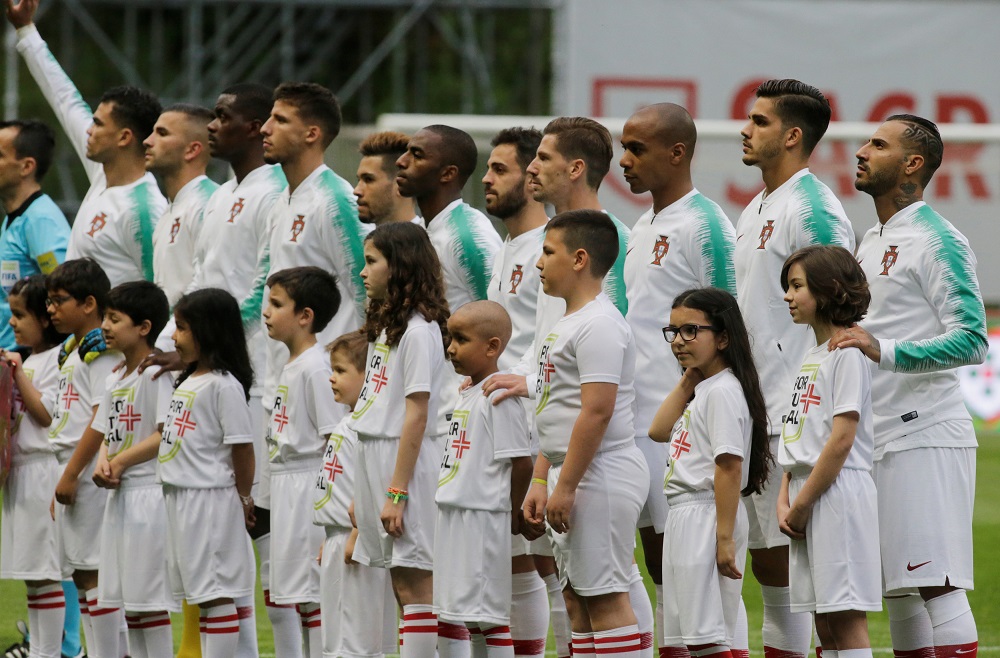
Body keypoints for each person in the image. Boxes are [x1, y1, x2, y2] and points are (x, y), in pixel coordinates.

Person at [831, 115, 986, 658]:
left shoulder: (938, 239)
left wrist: (885, 350)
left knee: (938, 587)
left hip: (925, 435)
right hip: (875, 436)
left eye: (878, 144)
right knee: (898, 593)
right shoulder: (870, 238)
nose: (862, 150)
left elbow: (972, 340)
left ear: (913, 163)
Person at [734, 78, 855, 658]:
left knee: (806, 575)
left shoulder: (812, 207)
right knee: (769, 569)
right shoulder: (756, 205)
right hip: (753, 408)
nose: (744, 129)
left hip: (795, 412)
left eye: (758, 121)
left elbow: (846, 296)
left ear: (792, 135)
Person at [620, 103, 739, 655]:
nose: (624, 161)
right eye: (623, 147)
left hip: (686, 424)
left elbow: (729, 320)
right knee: (659, 562)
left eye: (636, 149)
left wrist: (702, 397)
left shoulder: (705, 223)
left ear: (677, 153)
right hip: (643, 421)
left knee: (695, 568)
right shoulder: (641, 225)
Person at [259, 81, 368, 653]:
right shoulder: (282, 200)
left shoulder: (336, 200)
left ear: (312, 133)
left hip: (329, 384)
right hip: (288, 378)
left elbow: (364, 285)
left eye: (277, 120)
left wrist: (355, 368)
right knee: (284, 580)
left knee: (318, 574)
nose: (264, 128)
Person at [521, 210, 649, 658]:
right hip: (571, 471)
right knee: (577, 600)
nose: (538, 262)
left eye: (548, 251)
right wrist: (542, 478)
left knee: (607, 597)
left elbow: (596, 412)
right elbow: (553, 408)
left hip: (601, 473)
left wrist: (567, 483)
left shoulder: (600, 323)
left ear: (579, 259)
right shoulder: (568, 322)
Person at [648, 287, 771, 658]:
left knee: (706, 640)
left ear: (722, 337)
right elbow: (657, 430)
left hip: (704, 515)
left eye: (690, 331)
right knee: (690, 636)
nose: (679, 341)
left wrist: (723, 537)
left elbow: (729, 467)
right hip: (686, 515)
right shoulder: (704, 388)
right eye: (673, 331)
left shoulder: (723, 391)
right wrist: (688, 377)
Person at [7, 0, 166, 288]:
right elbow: (65, 99)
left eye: (99, 124)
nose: (88, 131)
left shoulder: (146, 208)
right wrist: (26, 31)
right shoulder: (101, 173)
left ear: (124, 137)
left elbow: (161, 291)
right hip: (80, 335)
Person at [348, 222, 450, 658]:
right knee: (400, 581)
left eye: (371, 262)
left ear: (400, 266)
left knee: (417, 582)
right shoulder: (387, 327)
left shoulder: (418, 331)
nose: (362, 273)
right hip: (377, 458)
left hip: (404, 465)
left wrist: (396, 490)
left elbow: (416, 414)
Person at [776, 246, 880, 658]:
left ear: (828, 289)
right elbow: (799, 432)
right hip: (807, 491)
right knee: (822, 619)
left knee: (845, 617)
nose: (788, 296)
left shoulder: (846, 353)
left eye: (797, 286)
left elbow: (840, 439)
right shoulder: (811, 355)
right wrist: (786, 496)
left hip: (836, 495)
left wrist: (800, 504)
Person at [482, 127, 558, 658]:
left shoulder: (550, 249)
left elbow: (554, 341)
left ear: (533, 179)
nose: (486, 179)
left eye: (500, 169)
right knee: (517, 555)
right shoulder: (509, 248)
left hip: (541, 425)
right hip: (503, 424)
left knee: (555, 563)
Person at [156, 288, 257, 657]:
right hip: (181, 499)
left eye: (181, 328)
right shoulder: (189, 379)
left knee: (215, 595)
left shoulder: (223, 385)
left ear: (209, 330)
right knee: (200, 593)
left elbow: (242, 449)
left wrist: (245, 497)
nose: (175, 337)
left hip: (209, 501)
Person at [435, 300, 533, 658]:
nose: (450, 348)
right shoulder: (467, 391)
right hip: (454, 514)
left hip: (482, 516)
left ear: (492, 347)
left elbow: (521, 463)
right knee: (466, 618)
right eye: (449, 338)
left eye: (460, 339)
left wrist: (512, 511)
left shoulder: (498, 397)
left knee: (488, 618)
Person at [89, 281, 177, 657]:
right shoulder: (113, 377)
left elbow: (165, 435)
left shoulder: (156, 374)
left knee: (149, 600)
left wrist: (120, 461)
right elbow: (109, 433)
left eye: (114, 319)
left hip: (148, 494)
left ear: (143, 327)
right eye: (105, 318)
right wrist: (102, 461)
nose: (105, 326)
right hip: (120, 496)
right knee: (130, 602)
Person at [262, 266, 343, 658]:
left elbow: (334, 438)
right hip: (286, 486)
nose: (266, 313)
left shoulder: (315, 366)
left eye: (276, 305)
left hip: (309, 485)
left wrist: (331, 502)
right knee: (297, 596)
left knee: (314, 595)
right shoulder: (291, 363)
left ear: (305, 316)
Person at [45, 258, 121, 657]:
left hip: (88, 468)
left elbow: (102, 415)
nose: (51, 310)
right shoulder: (73, 348)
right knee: (80, 574)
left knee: (94, 574)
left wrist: (72, 473)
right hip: (70, 463)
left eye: (59, 301)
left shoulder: (102, 349)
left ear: (89, 302)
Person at [314, 330, 397, 658]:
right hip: (338, 538)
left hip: (356, 544)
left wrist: (357, 531)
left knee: (356, 642)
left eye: (341, 371)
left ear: (370, 375)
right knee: (336, 640)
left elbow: (374, 483)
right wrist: (331, 532)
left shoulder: (367, 426)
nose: (332, 379)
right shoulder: (348, 422)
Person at [0, 275, 66, 658]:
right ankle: (42, 651)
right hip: (20, 472)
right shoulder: (27, 358)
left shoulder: (58, 360)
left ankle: (48, 652)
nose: (12, 322)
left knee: (46, 574)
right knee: (32, 577)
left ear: (45, 318)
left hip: (43, 470)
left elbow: (45, 415)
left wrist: (19, 373)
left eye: (20, 314)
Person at [0, 120, 70, 350]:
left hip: (30, 362)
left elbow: (66, 292)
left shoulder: (41, 220)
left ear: (26, 166)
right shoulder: (15, 217)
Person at [145, 104, 218, 310]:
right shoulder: (169, 211)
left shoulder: (209, 203)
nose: (147, 141)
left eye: (162, 133)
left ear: (192, 150)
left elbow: (207, 283)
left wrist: (169, 335)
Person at [355, 131, 418, 226]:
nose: (356, 191)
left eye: (368, 180)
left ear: (401, 184)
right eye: (359, 180)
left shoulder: (432, 240)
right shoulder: (366, 240)